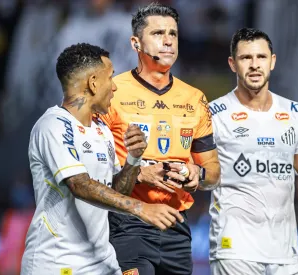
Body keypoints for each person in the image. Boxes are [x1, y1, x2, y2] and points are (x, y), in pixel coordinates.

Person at [21, 43, 183, 275]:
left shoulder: (101, 129)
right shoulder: (53, 125)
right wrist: (141, 208)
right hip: (57, 264)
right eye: (111, 77)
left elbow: (116, 191)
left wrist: (133, 161)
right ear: (93, 82)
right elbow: (79, 184)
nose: (115, 87)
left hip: (102, 263)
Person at [208, 28, 298, 275]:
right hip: (235, 249)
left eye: (261, 57)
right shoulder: (214, 113)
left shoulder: (294, 113)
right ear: (232, 64)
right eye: (245, 58)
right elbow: (199, 171)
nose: (254, 65)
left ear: (272, 61)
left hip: (285, 252)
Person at [98, 3, 221, 275]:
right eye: (157, 33)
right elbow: (90, 170)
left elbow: (213, 172)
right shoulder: (112, 93)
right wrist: (140, 174)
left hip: (176, 227)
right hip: (127, 223)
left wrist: (196, 173)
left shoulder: (195, 98)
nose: (167, 41)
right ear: (135, 43)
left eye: (173, 34)